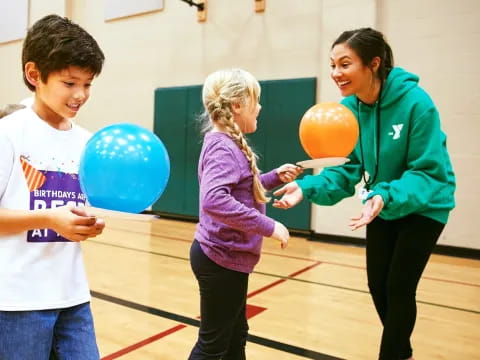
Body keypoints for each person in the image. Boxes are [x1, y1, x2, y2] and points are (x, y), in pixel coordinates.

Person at [273, 28, 455, 360]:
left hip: (426, 202)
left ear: (374, 64)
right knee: (378, 286)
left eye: (345, 64)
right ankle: (402, 350)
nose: (335, 73)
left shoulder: (417, 104)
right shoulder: (350, 111)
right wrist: (306, 186)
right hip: (381, 204)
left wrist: (384, 194)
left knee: (399, 288)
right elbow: (346, 169)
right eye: (332, 65)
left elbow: (426, 170)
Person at [0, 14, 106, 359]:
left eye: (88, 84)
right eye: (70, 83)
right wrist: (48, 218)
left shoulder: (87, 143)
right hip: (16, 302)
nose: (80, 95)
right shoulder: (8, 134)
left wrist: (90, 223)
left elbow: (75, 210)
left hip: (73, 297)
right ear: (34, 75)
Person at [188, 68, 302, 359]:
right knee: (213, 345)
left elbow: (240, 188)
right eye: (256, 100)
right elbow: (214, 200)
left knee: (235, 337)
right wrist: (268, 225)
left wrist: (275, 177)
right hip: (220, 258)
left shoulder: (226, 144)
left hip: (228, 257)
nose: (260, 107)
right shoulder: (222, 147)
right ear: (237, 105)